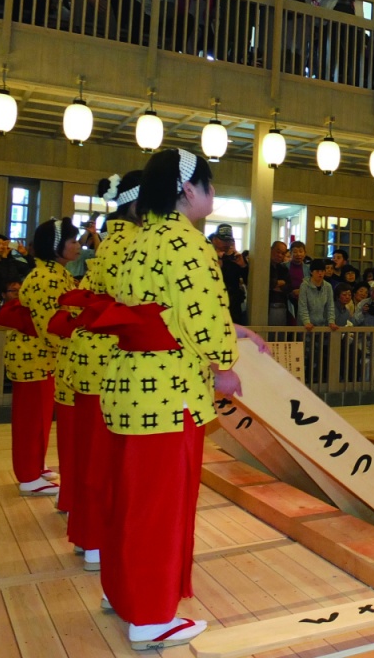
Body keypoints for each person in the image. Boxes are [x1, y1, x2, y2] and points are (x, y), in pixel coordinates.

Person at [97, 148, 263, 650]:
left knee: (130, 499)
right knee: (160, 507)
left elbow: (161, 309)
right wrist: (223, 364)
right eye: (211, 186)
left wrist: (227, 331)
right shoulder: (188, 244)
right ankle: (150, 616)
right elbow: (199, 315)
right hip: (168, 391)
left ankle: (125, 593)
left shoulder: (138, 238)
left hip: (128, 382)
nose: (213, 196)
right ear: (189, 191)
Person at [59, 170, 142, 571]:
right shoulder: (134, 241)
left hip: (93, 354)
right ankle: (95, 540)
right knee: (103, 458)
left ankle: (88, 536)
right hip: (109, 357)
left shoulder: (113, 239)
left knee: (93, 453)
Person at [0, 217, 79, 496]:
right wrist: (75, 349)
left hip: (41, 356)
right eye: (72, 241)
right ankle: (28, 475)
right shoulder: (46, 277)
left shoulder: (53, 272)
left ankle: (35, 466)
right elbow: (50, 327)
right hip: (35, 355)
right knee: (30, 419)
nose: (78, 246)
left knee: (40, 416)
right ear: (57, 245)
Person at [209, 225, 247, 325]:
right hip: (212, 303)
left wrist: (243, 266)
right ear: (214, 240)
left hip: (233, 305)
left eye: (229, 240)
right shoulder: (207, 256)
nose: (226, 243)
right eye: (223, 240)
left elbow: (249, 282)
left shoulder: (235, 258)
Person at [268, 241, 290, 325]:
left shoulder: (283, 268)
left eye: (283, 253)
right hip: (265, 305)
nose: (280, 255)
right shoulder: (264, 266)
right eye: (278, 252)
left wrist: (274, 285)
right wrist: (278, 282)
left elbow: (288, 287)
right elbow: (266, 284)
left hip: (281, 305)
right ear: (271, 250)